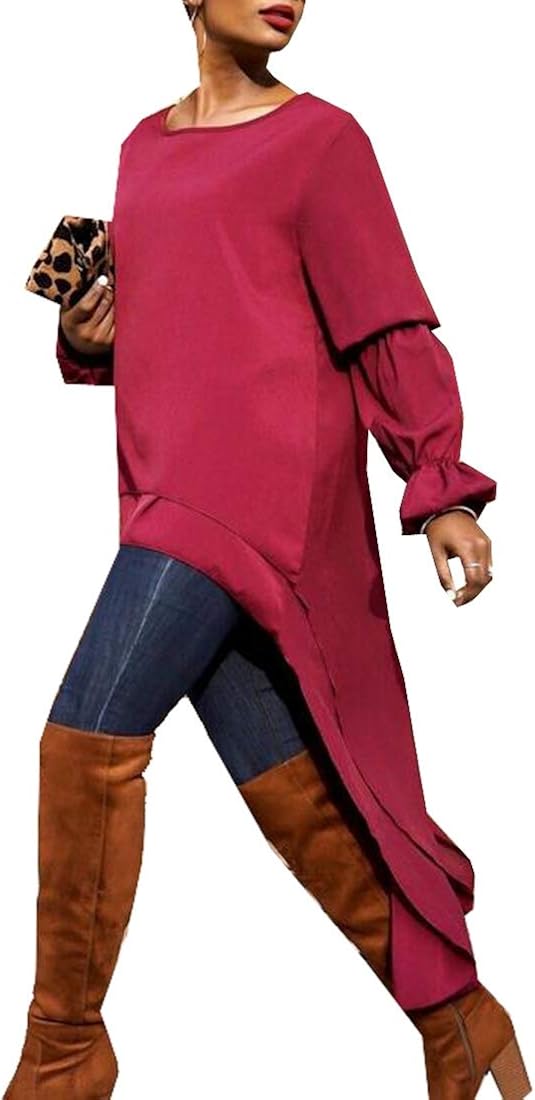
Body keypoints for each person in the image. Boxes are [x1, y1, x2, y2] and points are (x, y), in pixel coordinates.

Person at [4, 2, 531, 1098]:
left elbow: (385, 321)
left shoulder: (324, 141)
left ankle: (64, 1051)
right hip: (165, 488)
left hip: (263, 494)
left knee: (83, 743)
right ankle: (456, 1016)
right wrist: (88, 333)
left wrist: (438, 482)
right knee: (292, 791)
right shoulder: (141, 148)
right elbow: (188, 319)